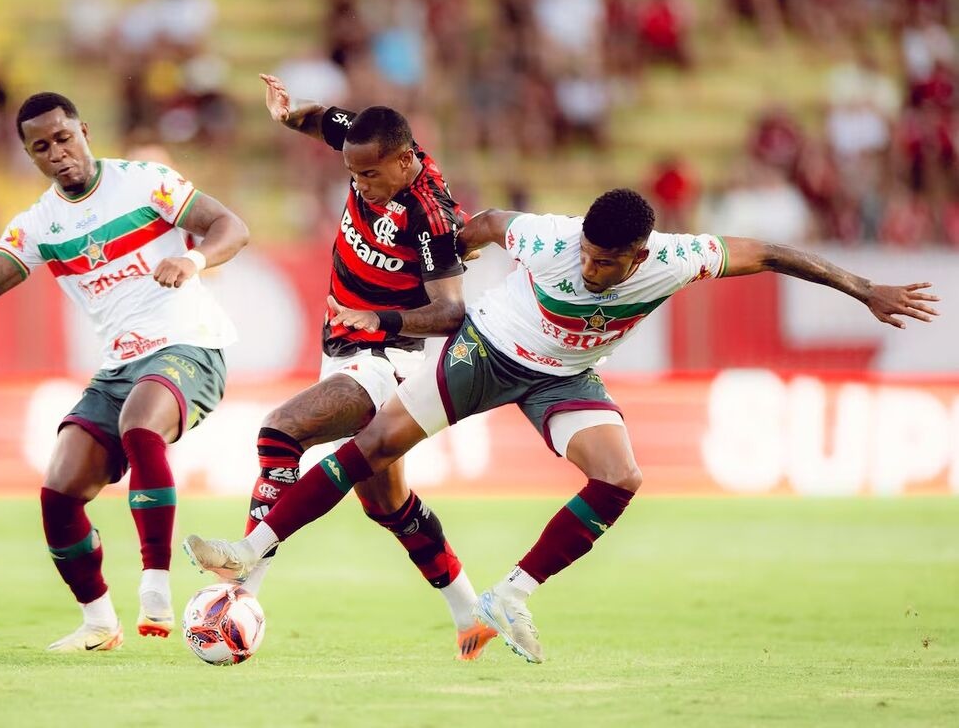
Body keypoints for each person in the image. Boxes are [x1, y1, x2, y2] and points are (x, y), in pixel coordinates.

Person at [185, 188, 939, 663]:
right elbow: (482, 222)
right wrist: (459, 254)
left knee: (622, 476)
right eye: (586, 249)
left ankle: (508, 596)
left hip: (563, 375)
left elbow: (772, 253)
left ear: (640, 256)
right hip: (486, 347)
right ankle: (247, 549)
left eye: (606, 261)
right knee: (376, 447)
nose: (589, 265)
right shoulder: (550, 239)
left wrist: (864, 287)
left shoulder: (677, 259)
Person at [0, 92, 250, 652]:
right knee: (59, 491)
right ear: (30, 155)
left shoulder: (146, 182)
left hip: (190, 347)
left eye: (64, 138)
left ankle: (156, 583)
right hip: (119, 364)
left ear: (85, 132)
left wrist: (193, 258)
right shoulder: (38, 224)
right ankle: (100, 623)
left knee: (141, 423)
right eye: (42, 147)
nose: (58, 153)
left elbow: (230, 225)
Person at [193, 74, 496, 660]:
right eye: (354, 174)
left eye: (372, 175)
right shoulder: (365, 140)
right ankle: (470, 612)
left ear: (407, 160)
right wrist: (290, 116)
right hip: (348, 345)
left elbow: (452, 313)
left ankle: (242, 581)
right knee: (387, 505)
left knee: (282, 430)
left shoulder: (430, 215)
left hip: (396, 356)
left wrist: (377, 320)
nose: (362, 185)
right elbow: (325, 122)